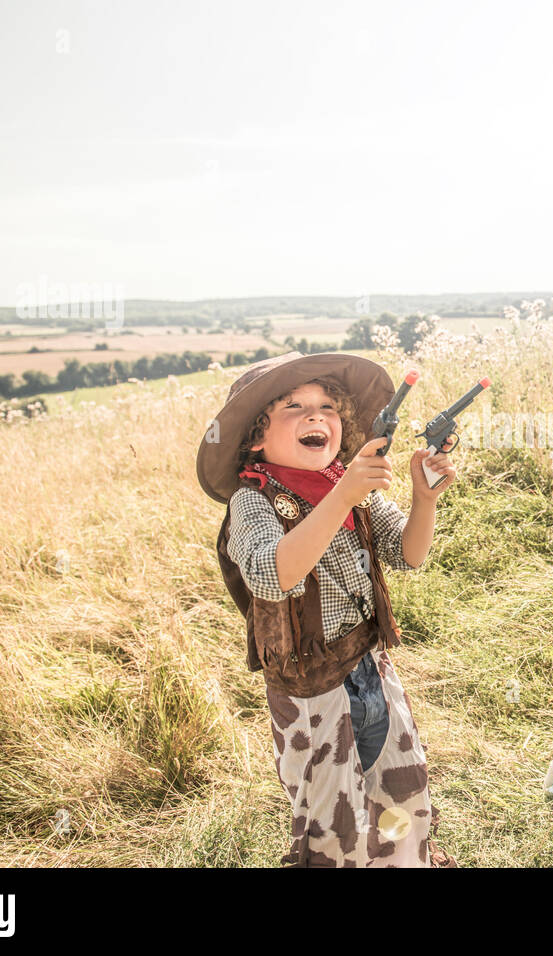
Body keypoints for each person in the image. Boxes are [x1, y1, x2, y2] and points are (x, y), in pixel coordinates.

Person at [196, 351, 458, 867]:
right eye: (293, 406)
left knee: (402, 788)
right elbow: (273, 575)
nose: (316, 415)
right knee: (332, 821)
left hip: (371, 667)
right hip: (311, 692)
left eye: (326, 406)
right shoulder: (254, 502)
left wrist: (423, 499)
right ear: (256, 437)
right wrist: (342, 495)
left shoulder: (348, 482)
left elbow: (407, 556)